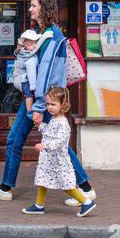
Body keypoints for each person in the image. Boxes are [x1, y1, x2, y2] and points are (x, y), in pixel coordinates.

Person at [0, 0, 96, 206]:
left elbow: (47, 75)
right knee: (14, 140)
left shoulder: (53, 38)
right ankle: (6, 187)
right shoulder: (38, 34)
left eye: (34, 5)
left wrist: (39, 107)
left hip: (42, 103)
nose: (30, 9)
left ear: (44, 7)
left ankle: (86, 189)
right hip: (37, 101)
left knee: (56, 145)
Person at [24, 87, 95, 217]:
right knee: (42, 180)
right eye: (47, 104)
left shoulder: (63, 123)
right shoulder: (54, 119)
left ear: (63, 105)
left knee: (66, 185)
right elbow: (49, 132)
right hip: (49, 160)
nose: (49, 107)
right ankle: (39, 205)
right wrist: (40, 125)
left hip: (59, 162)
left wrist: (44, 146)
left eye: (53, 104)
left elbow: (58, 142)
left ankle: (86, 202)